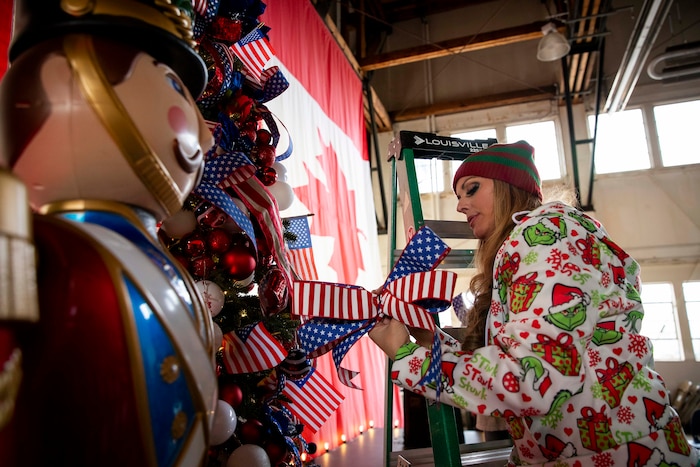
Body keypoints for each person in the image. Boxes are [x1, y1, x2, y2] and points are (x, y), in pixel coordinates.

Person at [370, 140, 700, 466]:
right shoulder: (542, 241)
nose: (460, 206)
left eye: (471, 189)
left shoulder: (543, 237)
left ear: (507, 187)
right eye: (458, 195)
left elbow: (533, 381)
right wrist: (428, 339)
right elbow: (529, 363)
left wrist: (405, 355)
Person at [0, 1, 218, 465]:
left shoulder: (151, 254)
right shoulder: (33, 247)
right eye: (173, 86)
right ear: (66, 81)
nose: (206, 134)